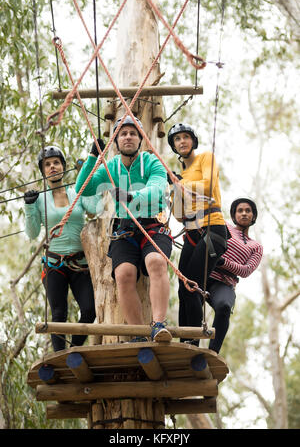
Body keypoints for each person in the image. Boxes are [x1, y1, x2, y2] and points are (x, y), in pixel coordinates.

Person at [75, 115, 173, 343]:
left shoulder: (151, 161)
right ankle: (139, 334)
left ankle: (158, 325)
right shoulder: (110, 168)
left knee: (156, 262)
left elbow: (158, 188)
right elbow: (83, 188)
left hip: (153, 224)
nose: (128, 137)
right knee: (123, 274)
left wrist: (132, 195)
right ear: (116, 141)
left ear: (140, 139)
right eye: (123, 134)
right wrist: (92, 157)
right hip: (124, 229)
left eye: (133, 133)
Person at [24, 145, 101, 352]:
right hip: (54, 263)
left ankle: (73, 350)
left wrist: (96, 177)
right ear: (43, 171)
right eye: (47, 165)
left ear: (63, 167)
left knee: (89, 310)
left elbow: (95, 208)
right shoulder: (39, 199)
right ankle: (60, 356)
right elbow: (31, 234)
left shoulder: (77, 192)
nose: (52, 167)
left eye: (56, 163)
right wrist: (29, 206)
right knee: (58, 313)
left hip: (80, 262)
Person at [167, 122, 228, 345]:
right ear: (174, 146)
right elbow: (179, 216)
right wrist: (175, 188)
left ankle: (193, 343)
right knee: (184, 288)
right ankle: (186, 341)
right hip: (192, 233)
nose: (182, 141)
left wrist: (181, 183)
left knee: (192, 284)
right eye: (177, 139)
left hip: (213, 229)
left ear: (193, 140)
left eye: (185, 137)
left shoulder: (205, 158)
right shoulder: (181, 176)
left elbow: (208, 185)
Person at [206, 197, 263, 353]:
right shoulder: (224, 226)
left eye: (248, 211)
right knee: (191, 301)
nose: (244, 213)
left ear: (253, 216)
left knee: (224, 307)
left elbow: (246, 270)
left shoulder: (255, 246)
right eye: (240, 210)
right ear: (234, 215)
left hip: (224, 283)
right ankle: (191, 344)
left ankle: (212, 352)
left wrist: (223, 261)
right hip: (205, 273)